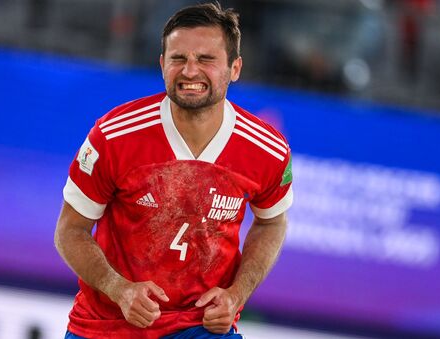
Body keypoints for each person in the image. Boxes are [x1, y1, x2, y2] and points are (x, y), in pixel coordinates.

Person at [54, 2, 293, 338]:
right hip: (107, 327)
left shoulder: (267, 149)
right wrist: (118, 289)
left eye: (206, 59)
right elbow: (69, 231)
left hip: (203, 327)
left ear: (235, 68)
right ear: (162, 64)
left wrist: (237, 294)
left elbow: (272, 222)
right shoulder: (114, 135)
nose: (190, 71)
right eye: (179, 58)